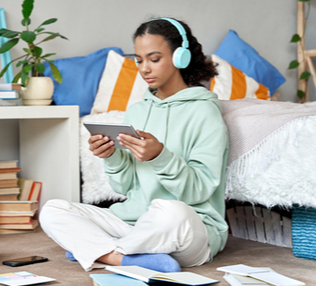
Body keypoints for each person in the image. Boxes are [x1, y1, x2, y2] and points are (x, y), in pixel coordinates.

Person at [40, 17, 229, 273]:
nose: (144, 69)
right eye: (139, 60)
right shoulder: (137, 111)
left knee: (171, 211)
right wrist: (111, 157)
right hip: (134, 224)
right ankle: (122, 258)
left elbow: (199, 191)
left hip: (189, 229)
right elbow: (125, 187)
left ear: (180, 57)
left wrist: (160, 156)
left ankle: (98, 250)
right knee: (52, 210)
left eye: (154, 58)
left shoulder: (204, 112)